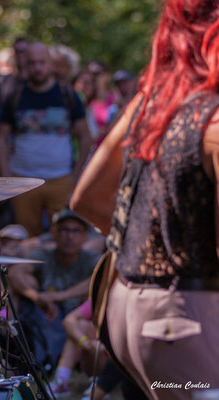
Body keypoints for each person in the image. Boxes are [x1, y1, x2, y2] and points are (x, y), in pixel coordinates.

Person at [71, 1, 219, 397]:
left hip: (129, 311)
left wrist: (147, 242)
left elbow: (87, 200)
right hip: (183, 322)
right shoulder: (214, 119)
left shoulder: (151, 101)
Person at [0, 42, 91, 237]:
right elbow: (0, 138)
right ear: (25, 65)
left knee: (64, 236)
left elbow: (85, 136)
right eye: (32, 63)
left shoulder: (67, 94)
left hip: (61, 179)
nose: (38, 68)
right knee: (26, 239)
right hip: (23, 180)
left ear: (51, 64)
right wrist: (6, 179)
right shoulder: (15, 96)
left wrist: (76, 176)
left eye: (42, 62)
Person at [7, 209, 99, 366]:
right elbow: (15, 271)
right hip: (46, 315)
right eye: (64, 230)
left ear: (85, 236)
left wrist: (59, 296)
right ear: (54, 233)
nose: (69, 236)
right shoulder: (44, 255)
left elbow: (101, 279)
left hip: (77, 320)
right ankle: (8, 337)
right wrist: (36, 296)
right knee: (24, 283)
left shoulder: (91, 258)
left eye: (76, 231)